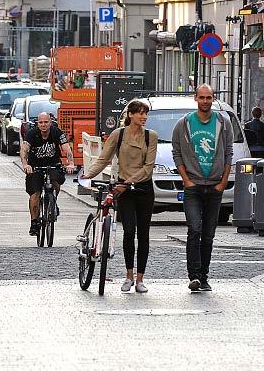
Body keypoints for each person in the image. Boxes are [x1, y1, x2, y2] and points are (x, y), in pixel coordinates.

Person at [82, 100, 158, 293]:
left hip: (142, 189)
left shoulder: (151, 137)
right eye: (140, 113)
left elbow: (148, 169)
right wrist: (88, 174)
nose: (144, 117)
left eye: (145, 114)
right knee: (129, 232)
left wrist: (128, 183)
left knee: (143, 234)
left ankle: (140, 279)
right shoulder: (119, 134)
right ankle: (129, 276)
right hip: (124, 189)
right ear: (130, 115)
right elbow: (104, 158)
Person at [172, 84, 233, 292]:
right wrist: (186, 179)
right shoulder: (184, 123)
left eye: (209, 98)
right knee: (194, 229)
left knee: (208, 234)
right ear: (195, 98)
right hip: (193, 187)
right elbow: (177, 153)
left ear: (213, 99)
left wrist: (223, 182)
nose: (205, 101)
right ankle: (194, 276)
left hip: (215, 187)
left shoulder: (223, 123)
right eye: (202, 97)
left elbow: (228, 153)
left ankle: (204, 276)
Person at [20, 112, 75, 236]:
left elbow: (66, 148)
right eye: (41, 122)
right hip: (35, 167)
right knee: (35, 194)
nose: (43, 125)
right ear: (37, 123)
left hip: (53, 164)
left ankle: (53, 201)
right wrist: (25, 165)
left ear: (51, 122)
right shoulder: (31, 134)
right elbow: (24, 150)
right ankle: (34, 222)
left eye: (46, 122)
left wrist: (70, 163)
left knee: (56, 180)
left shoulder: (57, 132)